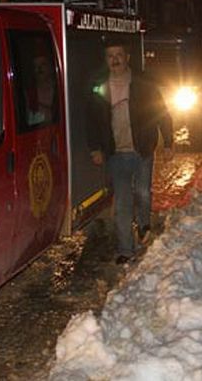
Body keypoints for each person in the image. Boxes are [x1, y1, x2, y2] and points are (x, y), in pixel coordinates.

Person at [86, 39, 173, 264]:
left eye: (118, 55)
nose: (114, 60)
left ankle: (144, 222)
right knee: (122, 203)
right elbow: (92, 120)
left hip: (141, 149)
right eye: (110, 56)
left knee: (142, 192)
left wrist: (169, 142)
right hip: (116, 154)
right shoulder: (99, 85)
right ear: (106, 60)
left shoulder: (143, 83)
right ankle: (126, 249)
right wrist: (95, 148)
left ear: (127, 57)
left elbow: (162, 113)